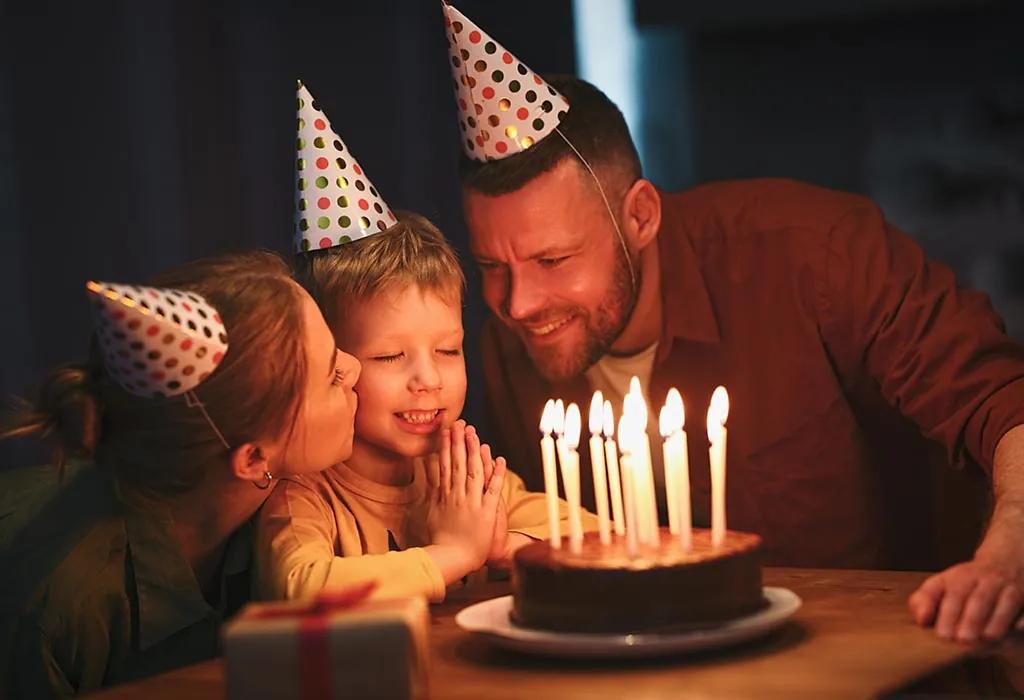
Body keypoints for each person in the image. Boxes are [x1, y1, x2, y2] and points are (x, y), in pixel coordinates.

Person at [443, 6, 1024, 644]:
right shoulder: (505, 346)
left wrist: (1009, 551)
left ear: (640, 217)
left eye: (553, 259)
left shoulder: (814, 255)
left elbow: (1001, 399)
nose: (519, 303)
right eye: (492, 265)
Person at [0, 251, 361, 697]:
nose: (355, 368)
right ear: (251, 460)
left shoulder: (272, 510)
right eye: (331, 377)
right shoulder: (56, 610)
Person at [258, 212, 596, 603]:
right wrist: (454, 554)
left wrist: (502, 545)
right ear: (333, 366)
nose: (429, 379)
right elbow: (299, 586)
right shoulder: (305, 493)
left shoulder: (459, 476)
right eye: (390, 356)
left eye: (448, 350)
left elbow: (598, 532)